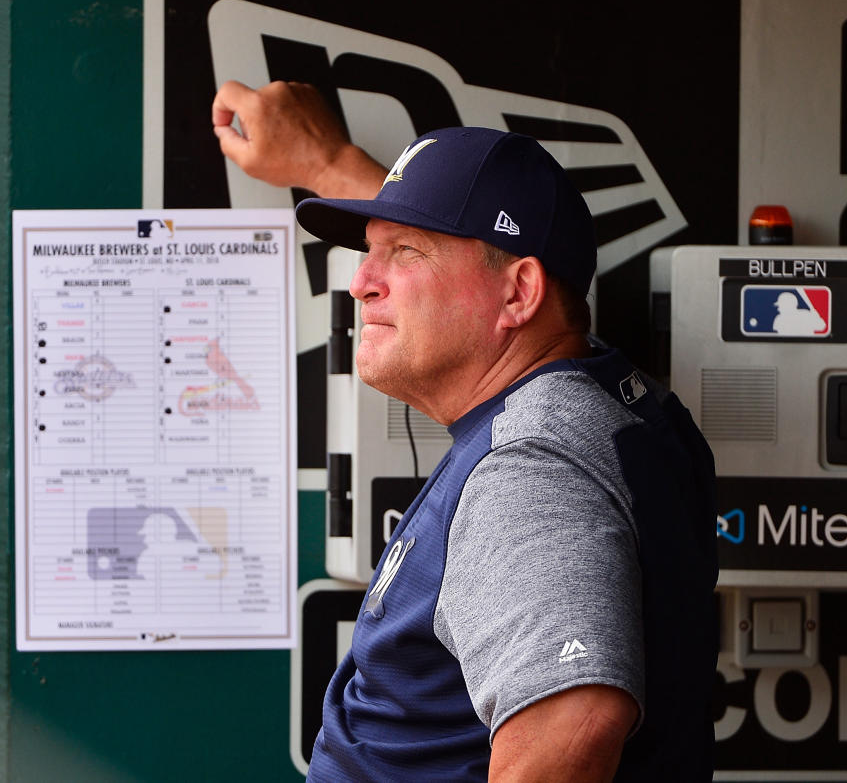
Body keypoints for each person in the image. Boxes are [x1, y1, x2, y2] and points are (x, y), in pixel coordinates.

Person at [214, 82, 719, 781]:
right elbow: (495, 273)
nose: (361, 281)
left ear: (520, 293)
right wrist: (329, 163)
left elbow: (574, 729)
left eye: (404, 251)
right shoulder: (596, 393)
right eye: (371, 248)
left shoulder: (535, 463)